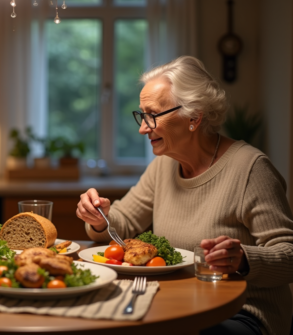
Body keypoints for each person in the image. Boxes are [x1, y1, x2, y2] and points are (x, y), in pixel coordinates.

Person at [77, 56, 293, 335]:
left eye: (152, 115)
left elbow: (288, 254)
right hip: (177, 305)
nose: (143, 128)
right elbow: (123, 222)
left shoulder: (250, 169)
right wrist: (98, 216)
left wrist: (243, 259)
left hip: (243, 313)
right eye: (141, 115)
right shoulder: (163, 166)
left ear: (193, 116)